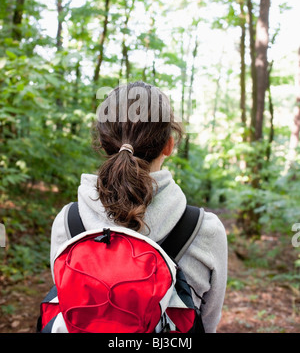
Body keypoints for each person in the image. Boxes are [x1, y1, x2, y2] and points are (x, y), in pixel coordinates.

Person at [50, 81, 227, 333]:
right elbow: (207, 323)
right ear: (169, 144)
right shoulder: (204, 230)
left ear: (103, 144)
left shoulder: (68, 222)